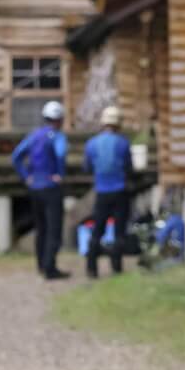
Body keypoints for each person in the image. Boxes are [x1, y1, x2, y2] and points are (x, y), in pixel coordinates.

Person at [11, 101, 70, 280]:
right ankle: (50, 268)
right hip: (50, 187)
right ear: (59, 119)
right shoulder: (57, 136)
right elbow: (60, 154)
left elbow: (16, 156)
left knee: (41, 228)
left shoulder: (34, 135)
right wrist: (60, 173)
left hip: (34, 187)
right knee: (54, 228)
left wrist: (26, 176)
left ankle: (41, 265)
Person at [84, 106, 132, 278]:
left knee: (98, 229)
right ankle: (116, 267)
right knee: (119, 230)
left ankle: (91, 267)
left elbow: (87, 167)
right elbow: (129, 167)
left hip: (101, 191)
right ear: (118, 124)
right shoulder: (123, 143)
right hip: (119, 191)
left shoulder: (91, 143)